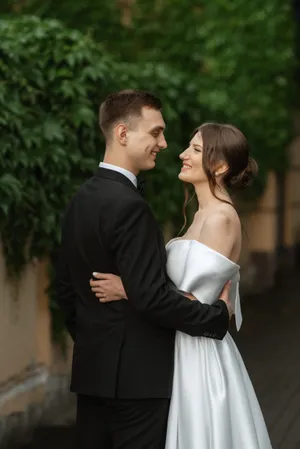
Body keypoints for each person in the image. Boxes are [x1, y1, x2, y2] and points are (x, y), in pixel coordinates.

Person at [56, 90, 233, 449]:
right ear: (122, 134)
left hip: (93, 375)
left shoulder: (82, 199)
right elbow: (152, 298)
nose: (164, 144)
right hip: (140, 381)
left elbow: (65, 291)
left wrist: (99, 343)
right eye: (155, 133)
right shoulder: (128, 206)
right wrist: (216, 318)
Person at [90, 122, 273, 448]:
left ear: (220, 166)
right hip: (179, 345)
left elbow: (193, 303)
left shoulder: (220, 218)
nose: (183, 154)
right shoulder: (200, 215)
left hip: (198, 354)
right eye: (189, 147)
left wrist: (127, 289)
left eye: (196, 150)